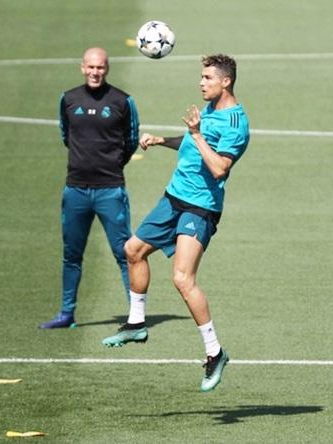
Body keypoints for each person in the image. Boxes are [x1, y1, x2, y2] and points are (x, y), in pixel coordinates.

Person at [101, 54, 250, 392]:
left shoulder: (237, 124)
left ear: (226, 81)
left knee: (183, 279)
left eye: (208, 78)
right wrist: (162, 140)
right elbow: (191, 146)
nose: (201, 83)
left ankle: (215, 353)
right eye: (201, 77)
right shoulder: (211, 108)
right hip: (174, 198)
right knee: (133, 250)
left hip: (201, 208)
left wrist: (196, 134)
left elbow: (219, 168)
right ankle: (136, 323)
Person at [39, 47, 140, 329]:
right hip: (76, 191)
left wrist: (112, 164)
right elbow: (65, 134)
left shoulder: (122, 101)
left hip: (110, 189)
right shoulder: (69, 99)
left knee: (124, 253)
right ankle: (66, 313)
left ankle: (136, 315)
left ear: (107, 69)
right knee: (72, 254)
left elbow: (131, 139)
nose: (95, 72)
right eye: (91, 67)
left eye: (101, 68)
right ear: (82, 68)